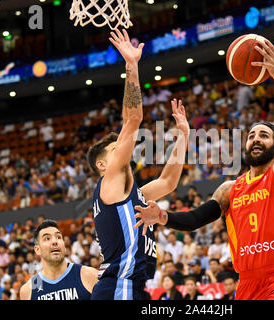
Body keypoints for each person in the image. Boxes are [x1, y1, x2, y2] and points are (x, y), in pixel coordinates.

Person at [134, 39, 274, 300]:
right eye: (251, 135)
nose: (256, 139)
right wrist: (161, 216)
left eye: (263, 135)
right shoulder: (230, 189)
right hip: (247, 284)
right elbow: (195, 219)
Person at [86, 29, 190, 300]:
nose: (122, 149)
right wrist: (131, 65)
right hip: (119, 287)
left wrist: (184, 136)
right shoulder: (109, 184)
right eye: (114, 148)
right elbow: (132, 120)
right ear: (101, 164)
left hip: (129, 287)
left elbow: (168, 182)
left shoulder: (130, 193)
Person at [19, 220, 98, 300]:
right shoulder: (28, 290)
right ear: (37, 249)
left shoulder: (89, 275)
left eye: (58, 237)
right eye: (47, 238)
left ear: (64, 247)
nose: (54, 241)